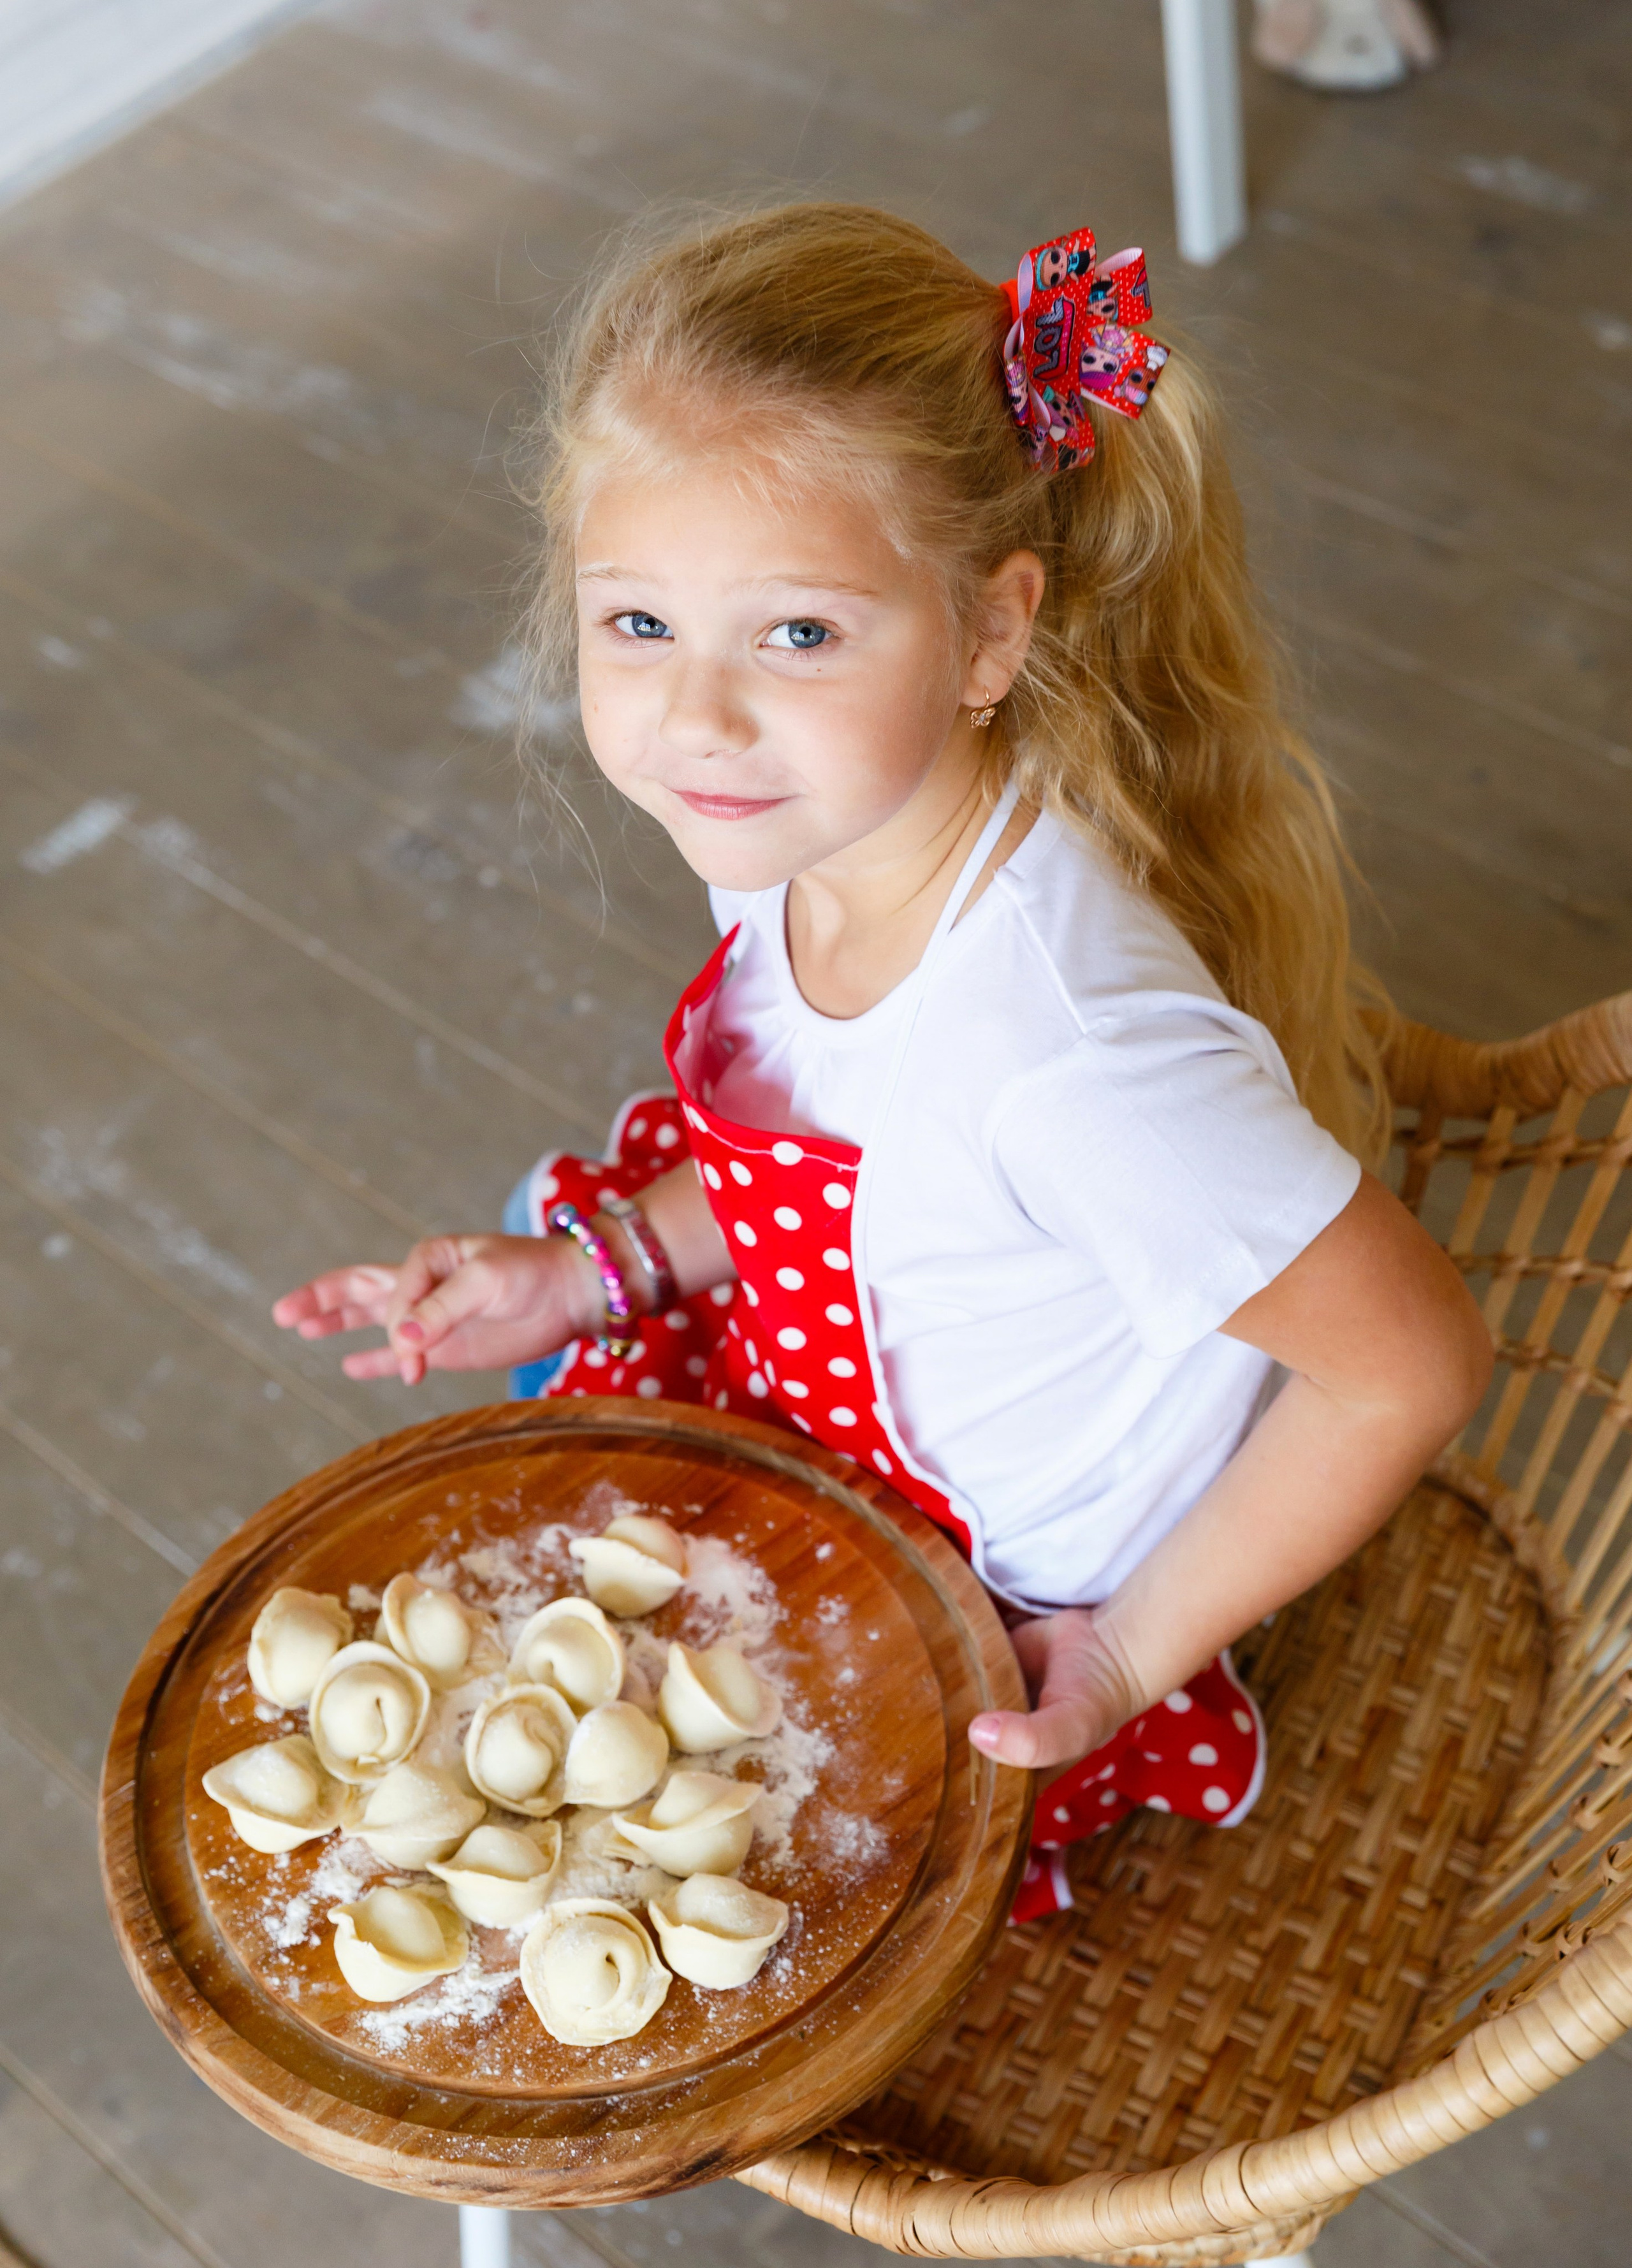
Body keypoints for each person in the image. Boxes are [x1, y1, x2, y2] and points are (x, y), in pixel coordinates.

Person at [273, 205, 1490, 1923]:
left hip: (996, 1581)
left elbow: (1409, 1364)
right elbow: (847, 1163)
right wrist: (594, 1267)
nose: (696, 716)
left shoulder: (1075, 1067)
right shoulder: (805, 824)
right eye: (637, 626)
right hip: (837, 1392)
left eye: (796, 636)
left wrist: (1126, 1652)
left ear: (993, 637)